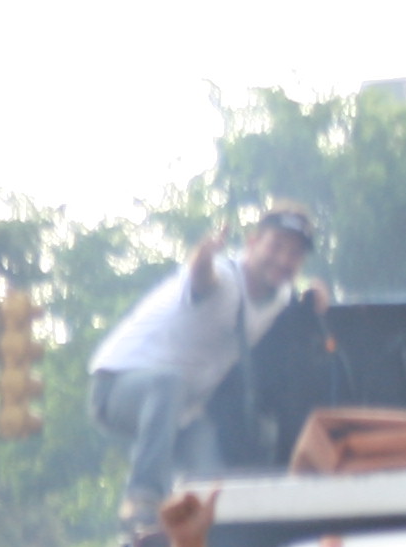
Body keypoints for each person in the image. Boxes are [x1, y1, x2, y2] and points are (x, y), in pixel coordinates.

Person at [89, 205, 323, 514]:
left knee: (215, 495)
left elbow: (303, 301)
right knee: (169, 382)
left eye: (294, 254)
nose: (283, 260)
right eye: (276, 246)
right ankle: (142, 496)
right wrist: (202, 257)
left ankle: (190, 545)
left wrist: (317, 296)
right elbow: (202, 280)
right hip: (118, 388)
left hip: (185, 411)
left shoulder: (280, 297)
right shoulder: (224, 278)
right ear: (252, 243)